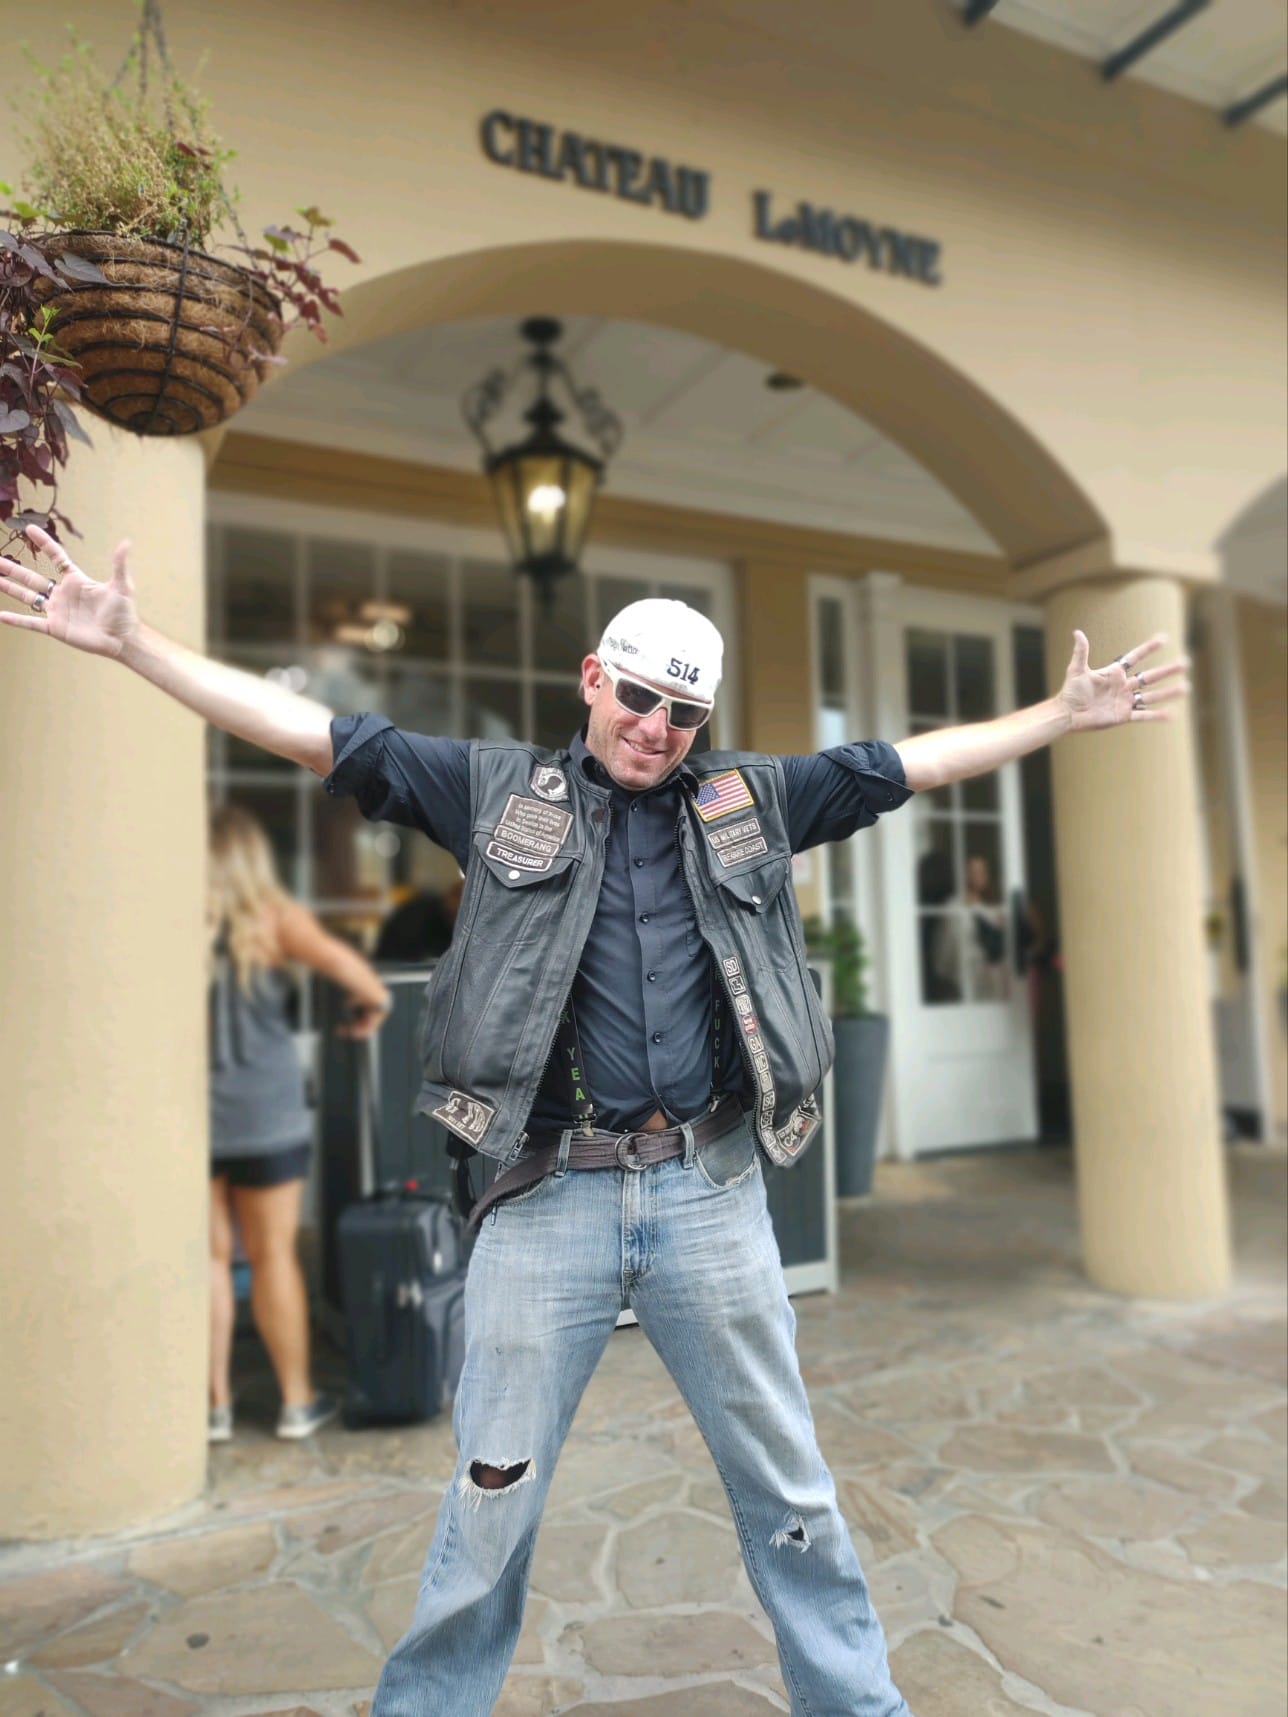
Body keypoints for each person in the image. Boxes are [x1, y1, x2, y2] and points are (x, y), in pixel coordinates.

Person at [0, 524, 1188, 1717]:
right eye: (637, 696)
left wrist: (1058, 715)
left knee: (789, 1489)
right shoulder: (496, 790)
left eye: (684, 711)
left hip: (708, 1194)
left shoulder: (749, 798)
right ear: (591, 679)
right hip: (544, 1198)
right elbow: (312, 732)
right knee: (490, 1496)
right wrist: (136, 645)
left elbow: (908, 764)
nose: (656, 727)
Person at [207, 803, 391, 1442]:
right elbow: (362, 978)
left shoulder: (170, 920)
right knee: (272, 1257)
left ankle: (215, 1408)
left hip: (191, 1114)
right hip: (264, 1112)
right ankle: (295, 1402)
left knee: (207, 1262)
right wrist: (370, 1009)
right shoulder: (274, 918)